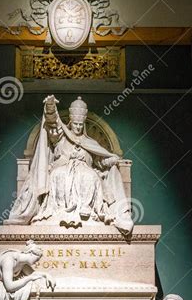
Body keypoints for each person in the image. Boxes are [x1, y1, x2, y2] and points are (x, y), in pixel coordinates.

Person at [7, 95, 134, 234]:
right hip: (61, 168)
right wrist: (50, 107)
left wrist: (111, 160)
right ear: (71, 122)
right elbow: (53, 124)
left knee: (90, 176)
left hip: (85, 170)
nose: (78, 127)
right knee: (58, 175)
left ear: (84, 124)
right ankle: (59, 211)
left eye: (80, 125)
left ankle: (86, 210)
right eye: (75, 124)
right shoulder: (61, 137)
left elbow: (100, 161)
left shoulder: (90, 143)